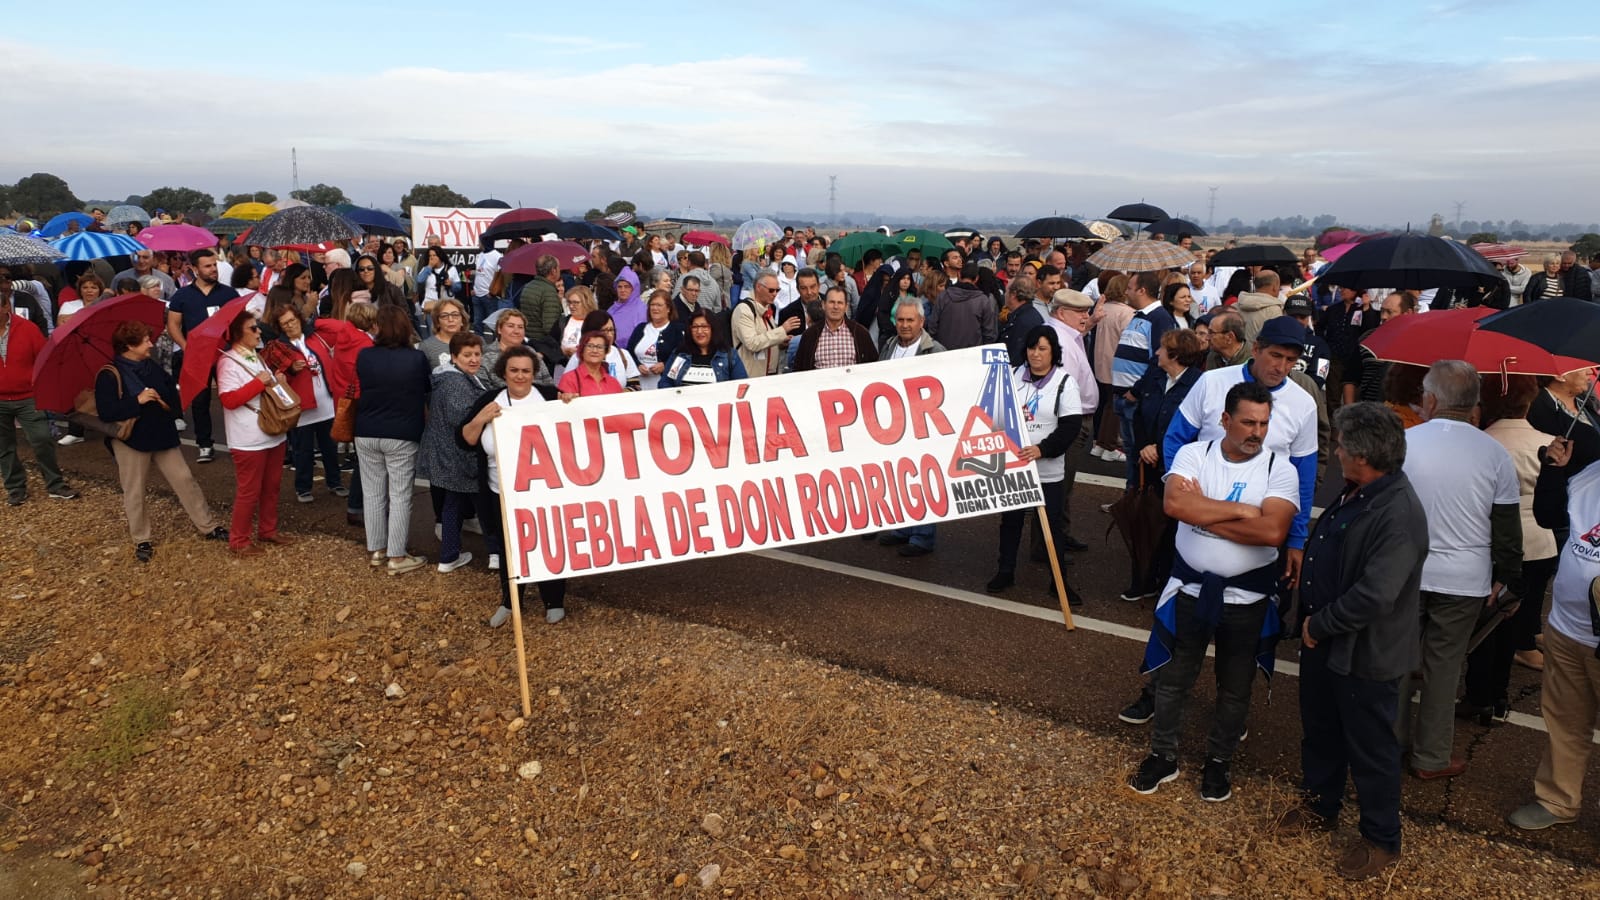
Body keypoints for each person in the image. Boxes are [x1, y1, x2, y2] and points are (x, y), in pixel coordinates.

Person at [1277, 402, 1426, 882]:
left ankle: (1382, 839)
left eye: (1340, 445)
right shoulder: (1361, 491)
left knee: (1371, 747)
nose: (1335, 450)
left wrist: (1318, 626)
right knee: (1321, 731)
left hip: (1365, 654)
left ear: (1363, 457)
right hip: (1329, 647)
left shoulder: (1397, 512)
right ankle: (1321, 806)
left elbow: (1376, 595)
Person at [1129, 381, 1298, 802]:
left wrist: (1204, 515)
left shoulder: (1280, 467)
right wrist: (1244, 511)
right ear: (1225, 420)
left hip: (1248, 600)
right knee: (1174, 679)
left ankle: (1219, 761)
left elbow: (1273, 531)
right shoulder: (1194, 454)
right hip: (1190, 590)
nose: (1257, 432)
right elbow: (1175, 506)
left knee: (1236, 685)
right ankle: (1163, 755)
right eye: (1247, 422)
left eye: (1263, 422)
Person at [1397, 361, 1523, 779]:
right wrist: (1508, 577)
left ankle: (1386, 743)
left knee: (1396, 659)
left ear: (1430, 400)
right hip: (1465, 577)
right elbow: (1506, 527)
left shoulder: (1405, 442)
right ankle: (1431, 757)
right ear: (1474, 404)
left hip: (1406, 570)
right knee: (1444, 667)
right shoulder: (1493, 453)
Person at [1508, 430, 1600, 829]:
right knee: (1565, 720)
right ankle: (1558, 799)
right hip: (1567, 626)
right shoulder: (1590, 472)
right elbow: (1549, 516)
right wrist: (1552, 470)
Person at [1463, 375, 1558, 725]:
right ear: (1529, 403)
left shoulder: (1481, 442)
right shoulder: (1549, 442)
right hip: (1538, 540)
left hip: (1492, 539)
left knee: (1484, 621)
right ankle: (1499, 696)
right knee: (1514, 622)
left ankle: (1478, 694)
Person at [95, 320, 229, 561]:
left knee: (185, 480)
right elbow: (106, 412)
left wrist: (170, 404)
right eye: (145, 340)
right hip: (132, 441)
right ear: (128, 346)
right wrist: (137, 400)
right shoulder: (109, 374)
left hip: (162, 434)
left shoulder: (150, 366)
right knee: (134, 491)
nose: (151, 343)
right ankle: (142, 539)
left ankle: (208, 526)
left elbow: (169, 390)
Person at [460, 345, 568, 624]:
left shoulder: (548, 396)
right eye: (514, 371)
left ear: (534, 374)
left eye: (526, 371)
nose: (520, 376)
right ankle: (510, 602)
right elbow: (465, 439)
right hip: (501, 492)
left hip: (544, 491)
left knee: (548, 543)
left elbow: (576, 424)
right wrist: (481, 418)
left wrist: (571, 402)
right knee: (509, 547)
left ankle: (554, 599)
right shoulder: (489, 399)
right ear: (503, 372)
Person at [986, 326, 1084, 589]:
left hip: (1048, 470)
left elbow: (1070, 427)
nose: (1035, 354)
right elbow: (996, 411)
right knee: (1011, 522)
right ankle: (1005, 571)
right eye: (1032, 348)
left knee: (1052, 526)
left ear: (1053, 351)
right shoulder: (1013, 375)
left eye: (1042, 349)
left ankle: (1059, 582)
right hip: (1015, 468)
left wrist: (1042, 449)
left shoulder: (1064, 382)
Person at [355, 305, 431, 575]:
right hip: (402, 431)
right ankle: (397, 556)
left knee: (373, 493)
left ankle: (377, 549)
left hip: (366, 429)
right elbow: (424, 390)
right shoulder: (416, 359)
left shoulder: (364, 355)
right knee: (399, 495)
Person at [216, 312, 291, 557]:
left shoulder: (255, 356)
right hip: (247, 437)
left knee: (272, 485)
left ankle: (268, 529)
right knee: (249, 490)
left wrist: (275, 381)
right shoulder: (228, 362)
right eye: (253, 328)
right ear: (239, 333)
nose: (259, 332)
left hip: (271, 430)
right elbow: (229, 399)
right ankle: (239, 539)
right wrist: (259, 383)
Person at [0, 281, 80, 506]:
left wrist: (43, 385)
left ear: (6, 307)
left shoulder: (27, 329)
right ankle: (15, 487)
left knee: (42, 439)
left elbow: (43, 359)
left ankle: (55, 484)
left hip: (27, 396)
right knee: (3, 447)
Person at [262, 304, 344, 504]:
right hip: (301, 407)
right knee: (302, 450)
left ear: (299, 319)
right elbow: (273, 376)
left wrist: (314, 320)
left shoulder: (317, 337)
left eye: (292, 320)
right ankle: (303, 487)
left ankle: (335, 482)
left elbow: (340, 328)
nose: (290, 326)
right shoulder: (277, 347)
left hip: (325, 402)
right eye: (284, 324)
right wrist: (291, 369)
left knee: (330, 448)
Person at [165, 248, 240, 464]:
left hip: (225, 355)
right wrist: (186, 346)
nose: (213, 269)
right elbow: (173, 325)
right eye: (207, 266)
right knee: (200, 401)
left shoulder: (228, 293)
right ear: (194, 269)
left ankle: (236, 443)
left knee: (232, 398)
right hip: (197, 357)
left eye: (214, 265)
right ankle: (204, 444)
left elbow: (238, 322)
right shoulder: (182, 295)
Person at [422, 332, 488, 574]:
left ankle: (450, 555)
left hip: (446, 453)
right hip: (457, 455)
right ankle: (492, 554)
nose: (473, 360)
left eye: (477, 354)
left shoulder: (448, 378)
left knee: (453, 504)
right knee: (478, 504)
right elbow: (462, 419)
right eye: (467, 355)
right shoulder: (456, 383)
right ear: (454, 357)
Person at [731, 273, 801, 377]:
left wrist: (781, 342)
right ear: (758, 287)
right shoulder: (743, 310)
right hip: (750, 376)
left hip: (768, 375)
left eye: (778, 290)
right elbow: (752, 343)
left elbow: (766, 339)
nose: (775, 294)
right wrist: (782, 330)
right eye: (771, 290)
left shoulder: (766, 308)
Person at [793, 286, 877, 371]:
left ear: (846, 307)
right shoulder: (810, 335)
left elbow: (873, 366)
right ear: (823, 305)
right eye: (832, 302)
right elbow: (799, 369)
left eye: (840, 303)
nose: (835, 307)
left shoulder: (860, 333)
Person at [930, 261, 998, 351]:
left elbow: (932, 327)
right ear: (976, 278)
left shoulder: (943, 296)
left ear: (959, 275)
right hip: (971, 355)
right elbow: (989, 333)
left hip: (944, 353)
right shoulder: (983, 300)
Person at [626, 290, 683, 390]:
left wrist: (665, 365)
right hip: (639, 387)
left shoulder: (677, 330)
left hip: (664, 387)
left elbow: (682, 357)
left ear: (668, 308)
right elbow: (628, 353)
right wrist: (637, 365)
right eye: (652, 304)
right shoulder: (640, 329)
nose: (655, 308)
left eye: (659, 305)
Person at [558, 330, 625, 398]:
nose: (595, 351)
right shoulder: (569, 379)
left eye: (599, 347)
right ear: (582, 351)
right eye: (590, 346)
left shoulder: (612, 382)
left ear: (605, 353)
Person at [999, 277, 1045, 365]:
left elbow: (1016, 357)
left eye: (1007, 291)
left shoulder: (1024, 321)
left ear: (1013, 294)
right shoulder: (1024, 315)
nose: (1005, 294)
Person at [518, 255, 564, 341]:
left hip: (527, 337)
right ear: (553, 271)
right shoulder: (548, 291)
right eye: (558, 268)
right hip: (542, 342)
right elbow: (550, 327)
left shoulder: (528, 286)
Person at [419, 298, 470, 370]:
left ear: (462, 320)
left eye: (455, 315)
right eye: (444, 316)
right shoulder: (427, 347)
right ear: (437, 322)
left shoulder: (476, 341)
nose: (450, 319)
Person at [1235, 271, 1284, 343]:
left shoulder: (1235, 306)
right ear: (1274, 287)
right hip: (1259, 353)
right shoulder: (1274, 311)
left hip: (1238, 353)